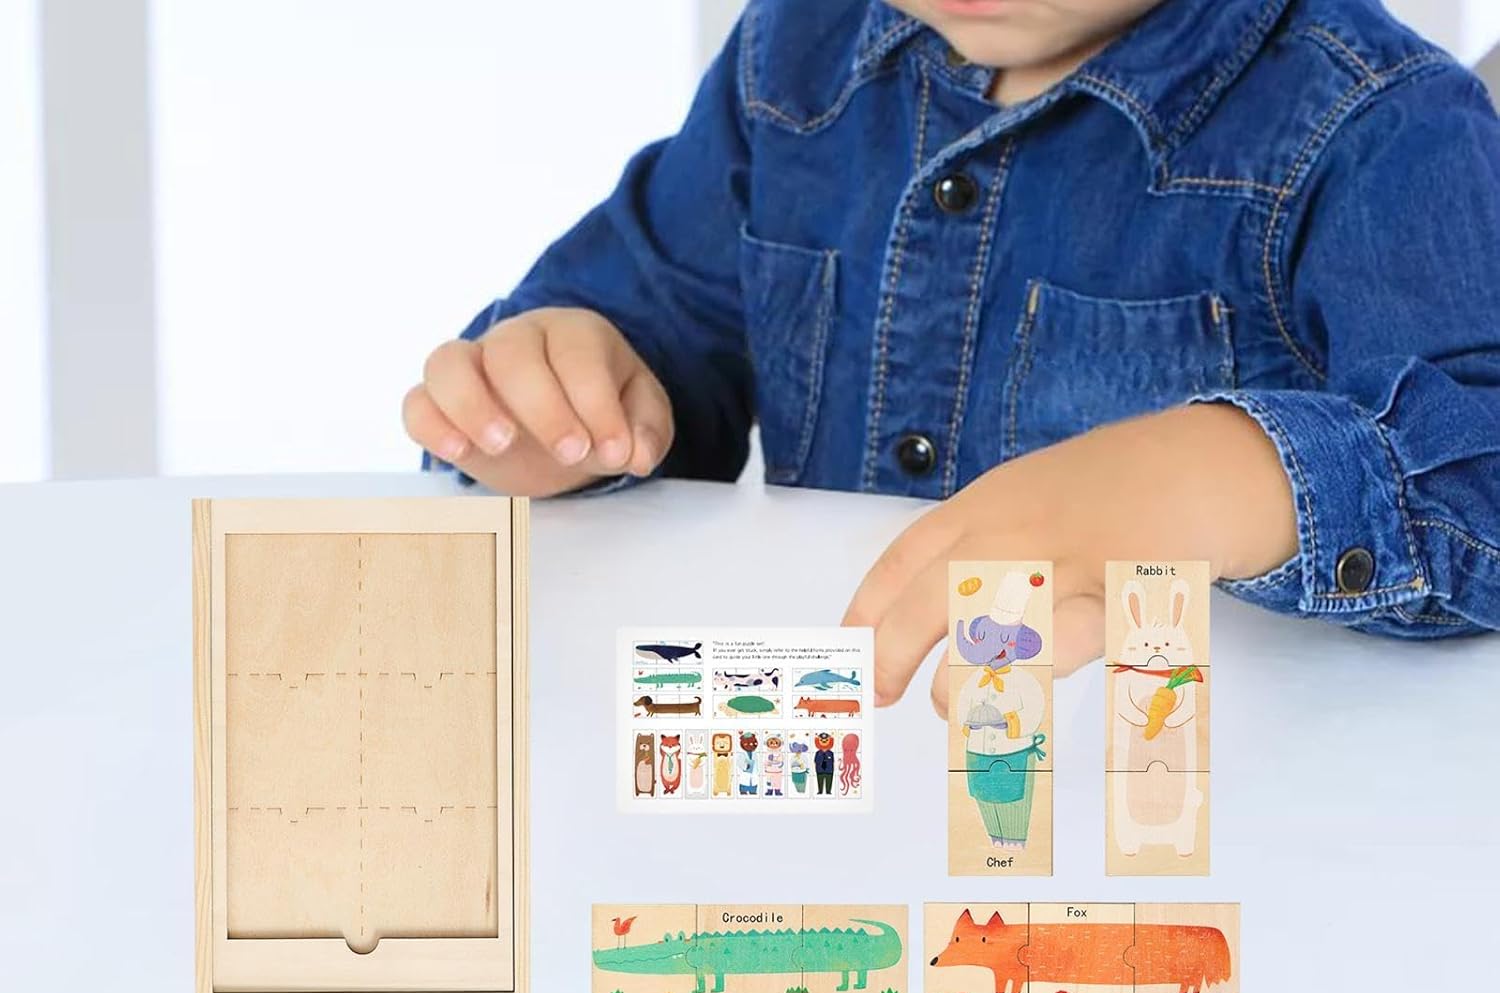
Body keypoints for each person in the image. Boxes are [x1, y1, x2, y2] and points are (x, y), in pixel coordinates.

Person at [404, 0, 1500, 707]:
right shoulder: (793, 56)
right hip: (859, 789)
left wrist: (1238, 478)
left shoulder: (1385, 124)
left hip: (1190, 820)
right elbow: (653, 325)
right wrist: (563, 400)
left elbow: (1479, 469)